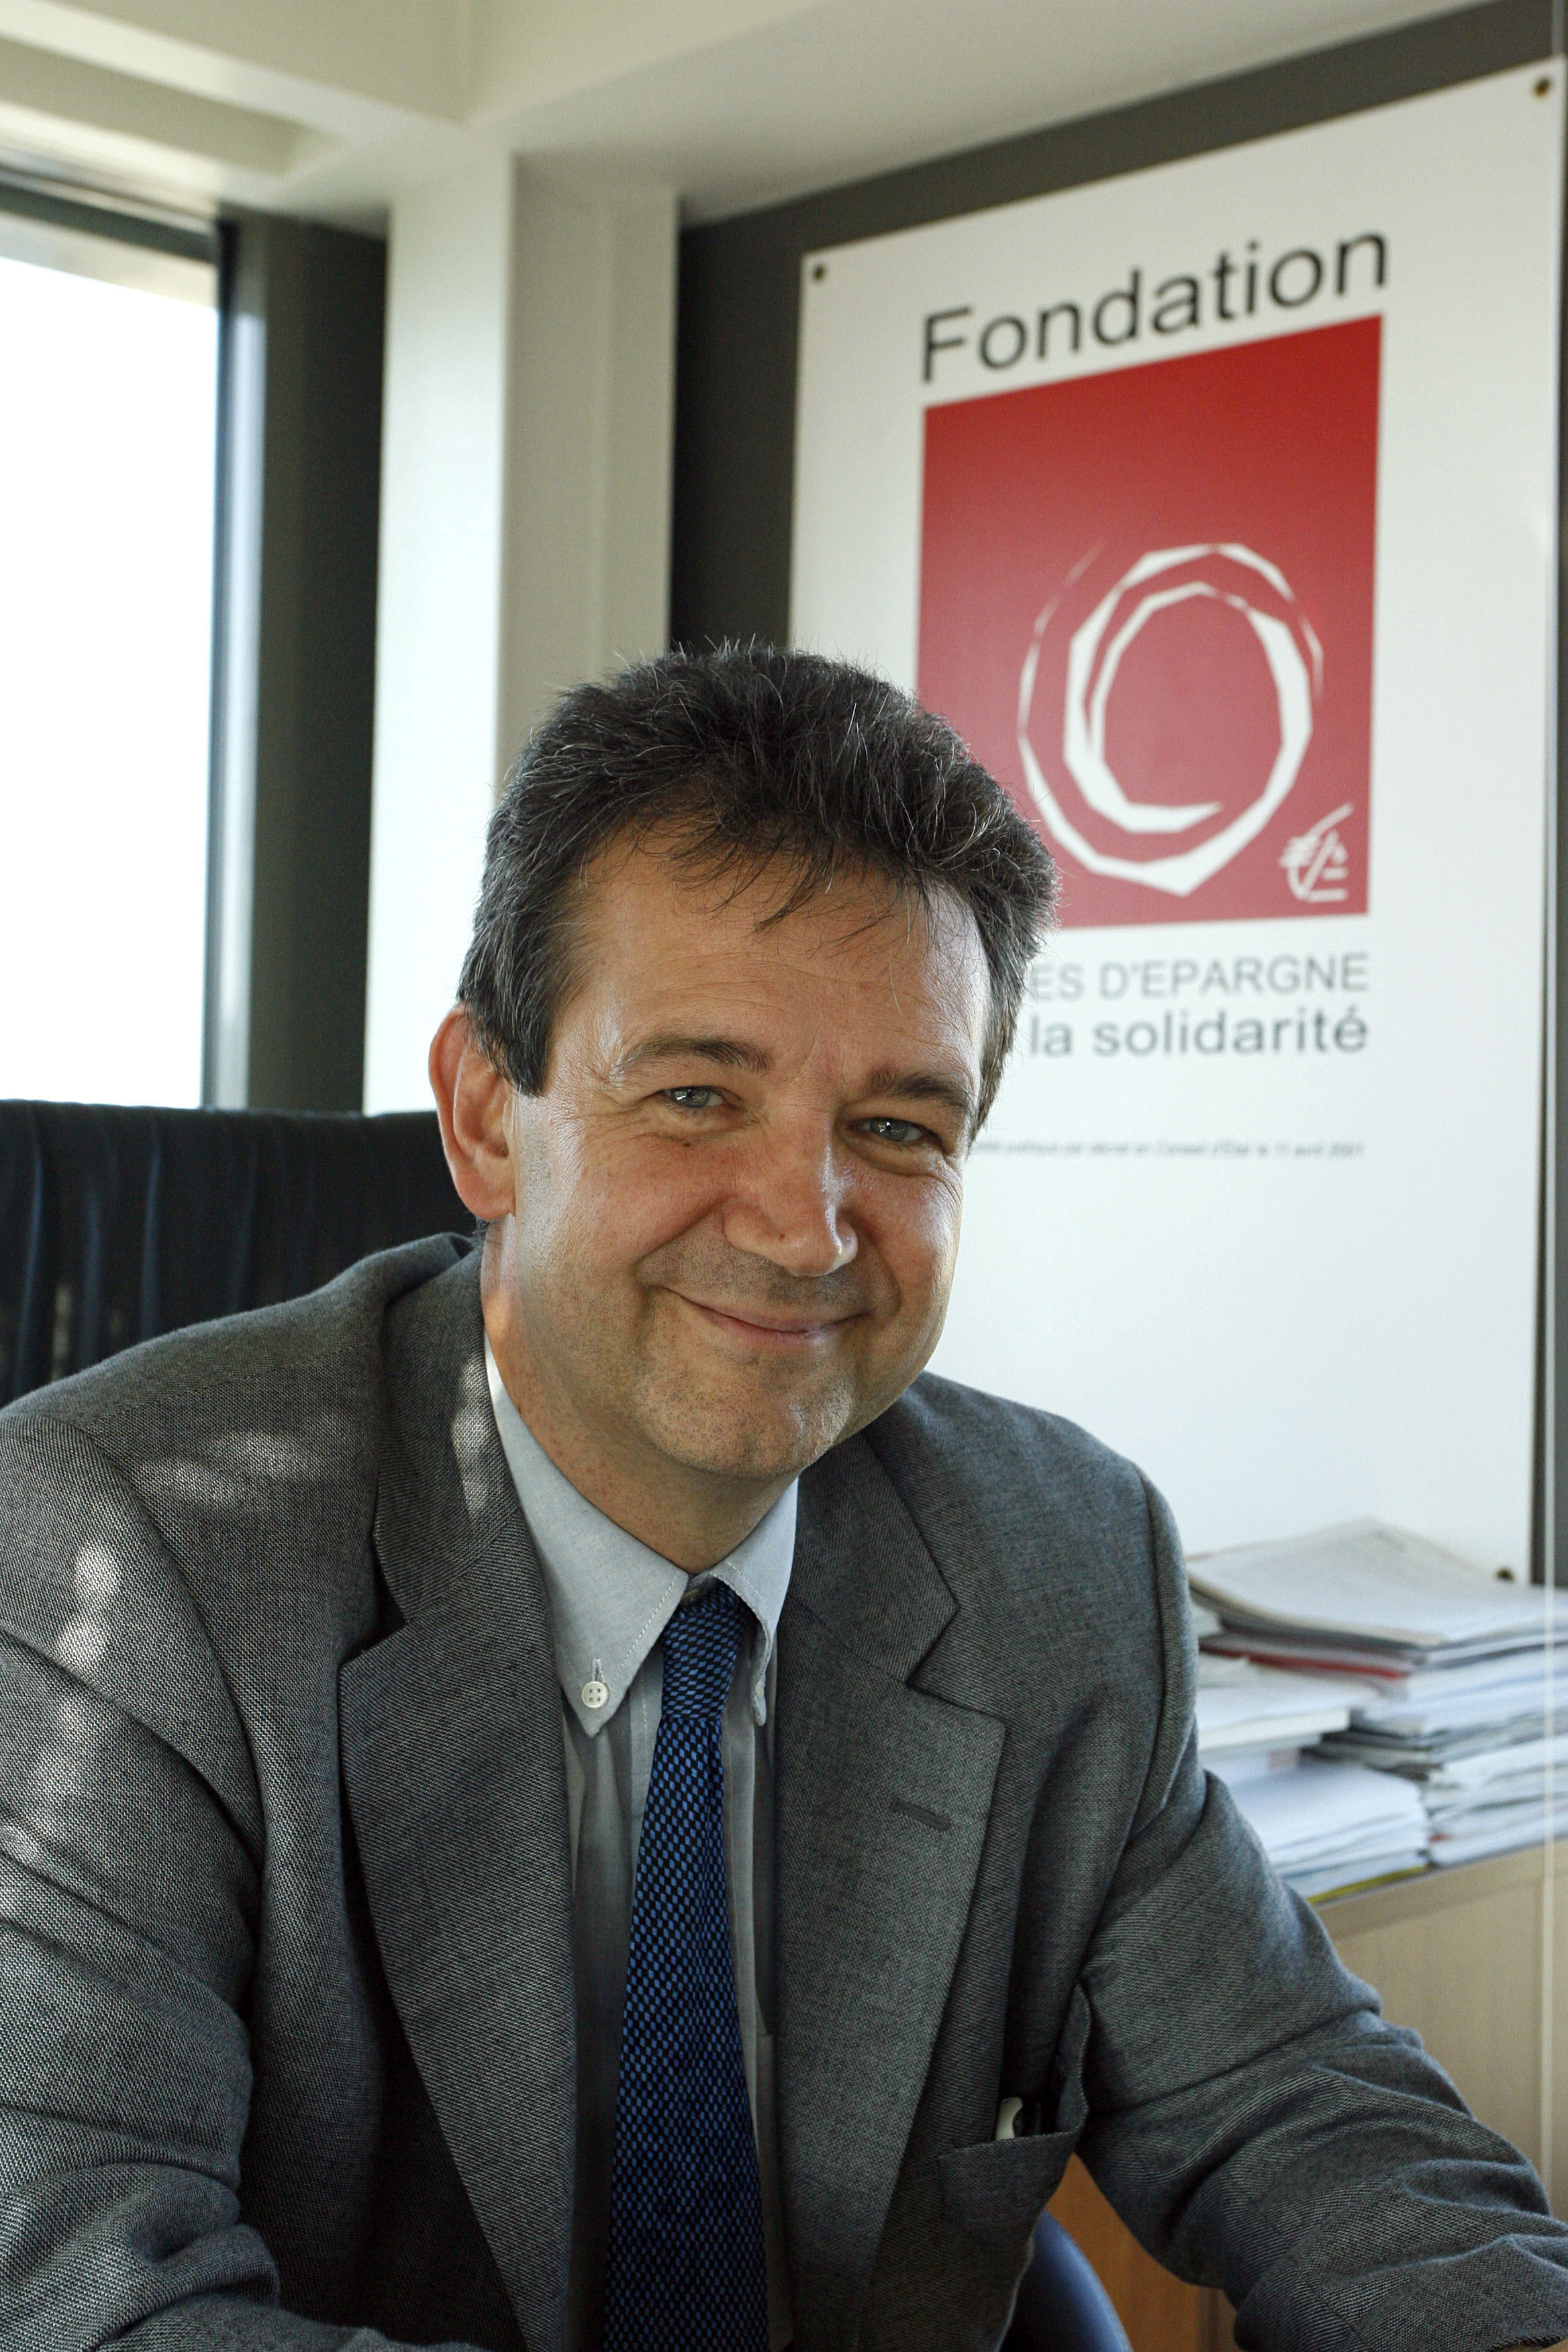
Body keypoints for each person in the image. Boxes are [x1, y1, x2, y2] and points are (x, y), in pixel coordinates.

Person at [0, 645, 1565, 2352]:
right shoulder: (125, 1563)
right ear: (486, 1117)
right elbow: (85, 2303)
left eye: (898, 1128)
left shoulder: (1059, 1555)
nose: (805, 1227)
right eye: (695, 1096)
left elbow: (1301, 2110)